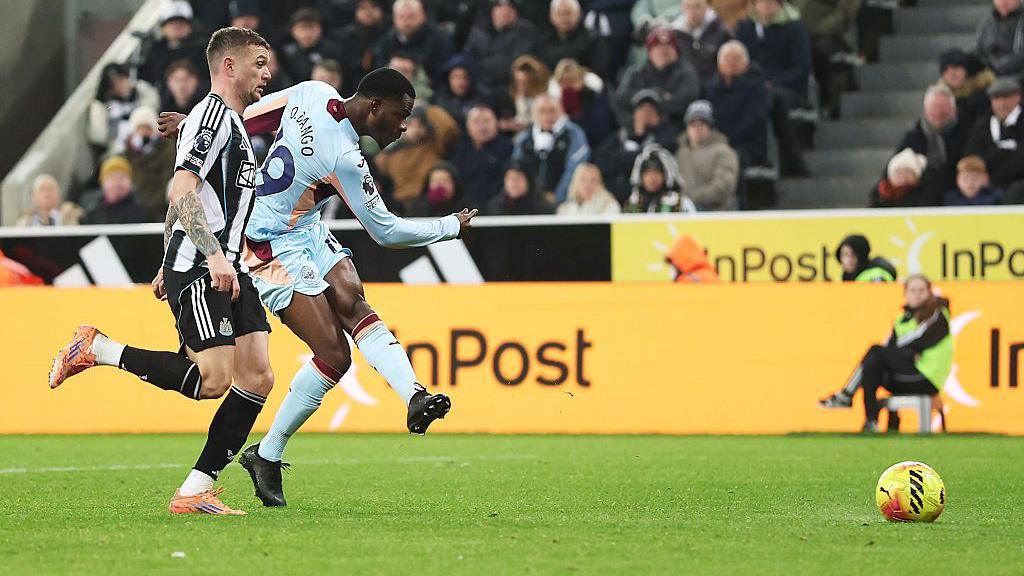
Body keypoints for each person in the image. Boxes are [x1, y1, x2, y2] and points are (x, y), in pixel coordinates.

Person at [165, 69, 477, 507]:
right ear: (374, 107)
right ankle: (267, 454)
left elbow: (251, 117)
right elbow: (385, 231)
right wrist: (450, 226)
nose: (404, 125)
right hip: (266, 244)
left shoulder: (313, 92)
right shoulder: (345, 158)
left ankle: (414, 395)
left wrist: (194, 126)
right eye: (401, 114)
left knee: (353, 301)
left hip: (305, 229)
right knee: (333, 354)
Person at [50, 27, 275, 515]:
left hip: (227, 265)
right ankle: (97, 348)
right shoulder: (213, 115)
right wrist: (207, 254)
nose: (267, 72)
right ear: (229, 66)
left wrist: (171, 251)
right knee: (214, 379)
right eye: (259, 62)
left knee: (257, 376)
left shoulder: (229, 123)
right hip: (205, 264)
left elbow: (191, 196)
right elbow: (181, 190)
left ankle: (196, 489)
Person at [819, 274, 953, 433]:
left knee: (875, 351)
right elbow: (892, 350)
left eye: (921, 290)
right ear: (905, 294)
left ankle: (847, 395)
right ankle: (871, 422)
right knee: (872, 364)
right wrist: (907, 353)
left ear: (930, 292)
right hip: (906, 374)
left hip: (926, 378)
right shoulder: (902, 320)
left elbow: (917, 339)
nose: (916, 294)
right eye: (912, 290)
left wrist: (904, 351)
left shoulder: (937, 313)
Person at [734, 0, 811, 176]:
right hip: (753, 85)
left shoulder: (794, 28)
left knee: (772, 100)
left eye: (771, 2)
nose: (766, 6)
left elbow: (802, 67)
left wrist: (774, 82)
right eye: (762, 2)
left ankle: (787, 159)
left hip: (787, 87)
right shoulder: (745, 27)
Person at [594, 90, 679, 203]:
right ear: (634, 114)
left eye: (650, 110)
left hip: (649, 198)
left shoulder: (666, 136)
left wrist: (624, 158)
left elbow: (660, 153)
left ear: (658, 116)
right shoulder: (620, 136)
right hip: (614, 196)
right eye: (641, 109)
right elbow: (600, 160)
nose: (645, 114)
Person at [375, 103, 460, 212]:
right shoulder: (389, 154)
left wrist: (428, 109)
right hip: (398, 208)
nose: (415, 130)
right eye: (410, 125)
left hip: (429, 206)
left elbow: (449, 129)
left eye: (420, 125)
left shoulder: (434, 146)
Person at [890, 84, 966, 203]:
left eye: (943, 107)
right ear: (925, 109)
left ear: (953, 109)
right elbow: (891, 169)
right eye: (934, 107)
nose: (938, 112)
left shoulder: (966, 133)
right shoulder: (914, 136)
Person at [613, 27, 701, 128]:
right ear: (649, 52)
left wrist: (653, 105)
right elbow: (621, 98)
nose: (663, 51)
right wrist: (656, 94)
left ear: (676, 51)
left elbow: (685, 101)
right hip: (637, 129)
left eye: (668, 46)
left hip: (675, 131)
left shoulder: (687, 73)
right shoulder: (636, 73)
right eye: (657, 46)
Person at [511, 93, 590, 203]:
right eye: (542, 111)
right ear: (533, 113)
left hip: (565, 202)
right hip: (529, 203)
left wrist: (557, 197)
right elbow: (517, 170)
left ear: (561, 111)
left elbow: (575, 169)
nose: (547, 116)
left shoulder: (574, 135)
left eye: (552, 111)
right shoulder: (523, 139)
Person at [705, 41, 771, 169]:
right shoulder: (709, 88)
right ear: (719, 63)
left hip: (747, 145)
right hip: (716, 142)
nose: (731, 62)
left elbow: (753, 121)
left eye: (736, 59)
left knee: (730, 160)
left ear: (746, 63)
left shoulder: (757, 88)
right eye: (727, 58)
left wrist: (726, 140)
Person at [791, 0, 860, 118]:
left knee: (822, 51)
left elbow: (845, 11)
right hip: (794, 34)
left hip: (830, 36)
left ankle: (831, 104)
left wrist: (819, 30)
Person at [674, 100, 740, 211]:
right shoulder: (679, 153)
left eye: (702, 123)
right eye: (693, 124)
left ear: (710, 127)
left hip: (716, 214)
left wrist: (690, 198)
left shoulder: (723, 152)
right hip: (683, 214)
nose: (697, 128)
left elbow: (722, 188)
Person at [965, 77, 1024, 200]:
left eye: (1006, 97)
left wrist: (990, 159)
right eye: (997, 98)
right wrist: (1002, 152)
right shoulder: (982, 125)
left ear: (1018, 98)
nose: (1002, 104)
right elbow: (972, 158)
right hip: (985, 185)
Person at [464, 0, 539, 96]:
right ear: (492, 11)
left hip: (511, 88)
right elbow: (469, 61)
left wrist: (485, 64)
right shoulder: (478, 32)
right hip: (481, 88)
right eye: (500, 6)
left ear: (515, 12)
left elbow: (517, 62)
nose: (505, 11)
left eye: (510, 7)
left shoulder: (525, 32)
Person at [87, 62, 160, 152]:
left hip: (146, 144)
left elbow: (153, 108)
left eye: (121, 80)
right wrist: (99, 103)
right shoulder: (106, 106)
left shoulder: (140, 94)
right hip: (119, 151)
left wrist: (136, 88)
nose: (119, 87)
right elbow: (99, 137)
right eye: (113, 85)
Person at [374, 0, 453, 81]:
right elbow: (379, 65)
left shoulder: (437, 38)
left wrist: (413, 66)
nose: (406, 22)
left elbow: (439, 68)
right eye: (401, 16)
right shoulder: (389, 38)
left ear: (423, 16)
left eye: (411, 16)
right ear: (394, 18)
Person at [122, 106, 177, 221]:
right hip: (133, 210)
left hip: (159, 209)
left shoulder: (167, 151)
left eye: (147, 128)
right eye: (140, 128)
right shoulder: (126, 154)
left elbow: (166, 181)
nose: (144, 133)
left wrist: (149, 206)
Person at [453, 104, 513, 208]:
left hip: (499, 208)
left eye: (487, 121)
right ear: (468, 125)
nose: (482, 127)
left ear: (496, 123)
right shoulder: (459, 150)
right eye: (476, 122)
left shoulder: (508, 149)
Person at [535, 0, 609, 80]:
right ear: (551, 16)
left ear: (580, 14)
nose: (564, 18)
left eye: (568, 13)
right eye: (559, 14)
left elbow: (599, 72)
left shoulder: (593, 40)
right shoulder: (543, 41)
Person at [138, 0, 208, 85]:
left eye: (181, 22)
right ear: (163, 28)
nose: (177, 26)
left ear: (191, 27)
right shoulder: (155, 51)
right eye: (172, 22)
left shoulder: (203, 50)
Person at [549, 59, 614, 146]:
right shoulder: (551, 104)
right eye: (564, 81)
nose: (569, 86)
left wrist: (582, 96)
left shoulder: (595, 96)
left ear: (582, 80)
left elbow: (601, 128)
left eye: (572, 80)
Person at [671, 0, 733, 82]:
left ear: (707, 6)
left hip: (716, 86)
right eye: (688, 6)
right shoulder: (675, 34)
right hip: (688, 85)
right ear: (682, 7)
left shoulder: (722, 30)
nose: (692, 11)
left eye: (697, 6)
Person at [937, 49, 994, 135]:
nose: (951, 73)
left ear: (966, 71)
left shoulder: (982, 96)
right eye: (946, 69)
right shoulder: (938, 97)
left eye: (956, 67)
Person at [624, 144, 695, 213]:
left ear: (665, 176)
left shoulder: (679, 203)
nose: (652, 178)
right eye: (647, 173)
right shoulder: (633, 203)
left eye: (656, 173)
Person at [334, 0, 388, 91]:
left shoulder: (388, 34)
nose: (369, 12)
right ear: (356, 11)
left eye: (373, 7)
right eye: (363, 8)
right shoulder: (346, 37)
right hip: (352, 86)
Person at [81, 156, 150, 224]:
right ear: (102, 183)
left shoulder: (139, 211)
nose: (117, 182)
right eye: (112, 177)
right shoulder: (92, 209)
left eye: (122, 177)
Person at [279, 8, 340, 82]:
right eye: (303, 28)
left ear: (320, 29)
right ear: (293, 30)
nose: (307, 34)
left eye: (312, 28)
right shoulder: (285, 53)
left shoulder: (331, 50)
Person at [500, 55, 551, 135]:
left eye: (524, 83)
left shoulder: (550, 95)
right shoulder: (519, 96)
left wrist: (522, 125)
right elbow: (522, 118)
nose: (520, 87)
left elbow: (547, 121)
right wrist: (510, 124)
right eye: (517, 82)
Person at [434, 55, 485, 129]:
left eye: (465, 77)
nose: (460, 82)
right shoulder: (439, 100)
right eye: (455, 77)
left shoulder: (481, 100)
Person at [976, 0, 1024, 78]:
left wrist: (996, 70)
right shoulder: (988, 22)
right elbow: (980, 52)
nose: (1004, 2)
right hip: (990, 77)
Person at [486, 161, 556, 215]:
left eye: (518, 178)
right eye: (510, 178)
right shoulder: (495, 207)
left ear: (528, 181)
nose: (514, 183)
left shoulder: (542, 208)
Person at [15, 174, 83, 227]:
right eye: (42, 189)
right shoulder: (24, 223)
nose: (47, 193)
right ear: (34, 196)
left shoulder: (71, 216)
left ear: (58, 194)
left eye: (51, 189)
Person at [556, 163, 621, 215]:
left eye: (593, 180)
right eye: (583, 179)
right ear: (575, 182)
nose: (587, 185)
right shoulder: (564, 209)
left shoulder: (610, 206)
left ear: (600, 184)